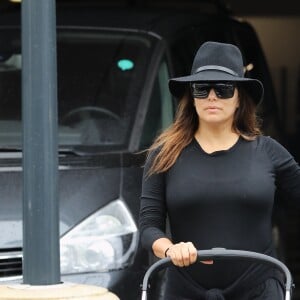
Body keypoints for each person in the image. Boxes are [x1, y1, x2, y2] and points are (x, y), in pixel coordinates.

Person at [139, 41, 300, 300]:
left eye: (224, 88)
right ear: (191, 98)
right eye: (201, 88)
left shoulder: (269, 152)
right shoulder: (163, 155)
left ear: (239, 98)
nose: (212, 96)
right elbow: (148, 228)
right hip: (185, 290)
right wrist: (170, 250)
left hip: (259, 289)